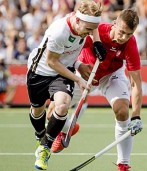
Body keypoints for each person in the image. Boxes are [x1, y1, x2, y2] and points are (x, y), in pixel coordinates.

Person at [47, 8, 143, 171]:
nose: (123, 38)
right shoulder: (96, 31)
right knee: (52, 114)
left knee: (122, 111)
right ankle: (69, 127)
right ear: (115, 24)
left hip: (111, 74)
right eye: (121, 32)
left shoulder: (130, 43)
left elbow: (136, 83)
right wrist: (79, 66)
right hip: (84, 71)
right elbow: (67, 51)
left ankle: (123, 164)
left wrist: (136, 116)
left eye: (128, 34)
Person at [26, 0, 106, 170]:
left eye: (92, 30)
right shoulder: (59, 31)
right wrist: (78, 78)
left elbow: (92, 28)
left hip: (62, 73)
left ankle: (45, 147)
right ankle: (41, 135)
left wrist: (96, 42)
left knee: (62, 107)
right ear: (77, 20)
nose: (88, 34)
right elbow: (52, 62)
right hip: (40, 72)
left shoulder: (84, 24)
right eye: (87, 30)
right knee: (37, 111)